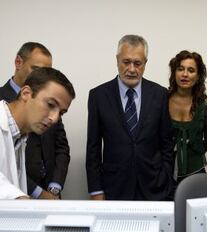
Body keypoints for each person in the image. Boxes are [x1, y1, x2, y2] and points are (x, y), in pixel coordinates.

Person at [86, 34, 174, 201]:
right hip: (114, 188)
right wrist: (96, 190)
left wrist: (166, 179)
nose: (132, 69)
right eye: (126, 62)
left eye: (137, 63)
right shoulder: (98, 96)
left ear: (145, 63)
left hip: (154, 188)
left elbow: (167, 144)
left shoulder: (160, 94)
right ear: (117, 60)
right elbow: (93, 149)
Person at [0, 42, 70, 199]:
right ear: (25, 94)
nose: (54, 118)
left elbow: (61, 149)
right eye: (50, 104)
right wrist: (23, 199)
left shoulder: (20, 137)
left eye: (61, 112)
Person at [167, 50, 207, 195]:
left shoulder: (206, 104)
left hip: (195, 171)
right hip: (164, 172)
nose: (185, 74)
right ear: (174, 73)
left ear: (198, 76)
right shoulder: (162, 100)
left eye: (191, 70)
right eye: (180, 69)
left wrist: (192, 153)